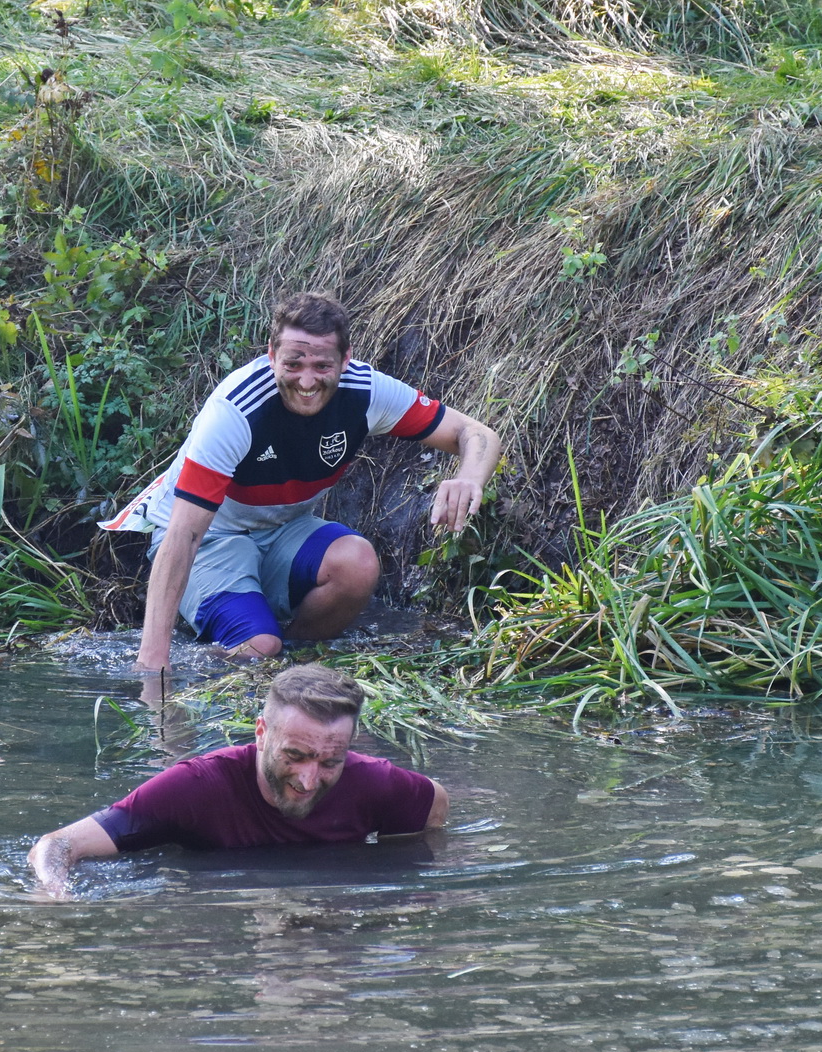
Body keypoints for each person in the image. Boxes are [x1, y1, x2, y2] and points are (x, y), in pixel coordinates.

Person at [105, 292, 503, 670]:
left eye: (322, 367)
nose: (307, 382)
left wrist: (468, 478)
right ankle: (242, 646)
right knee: (258, 647)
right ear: (272, 355)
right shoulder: (235, 411)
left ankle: (293, 662)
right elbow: (184, 535)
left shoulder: (366, 392)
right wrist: (152, 659)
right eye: (293, 364)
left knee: (357, 564)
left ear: (345, 360)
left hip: (283, 530)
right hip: (211, 537)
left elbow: (476, 433)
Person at [28, 663, 450, 899]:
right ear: (261, 733)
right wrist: (56, 894)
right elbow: (58, 844)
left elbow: (435, 804)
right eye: (295, 756)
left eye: (330, 762)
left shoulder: (373, 783)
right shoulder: (195, 787)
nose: (308, 780)